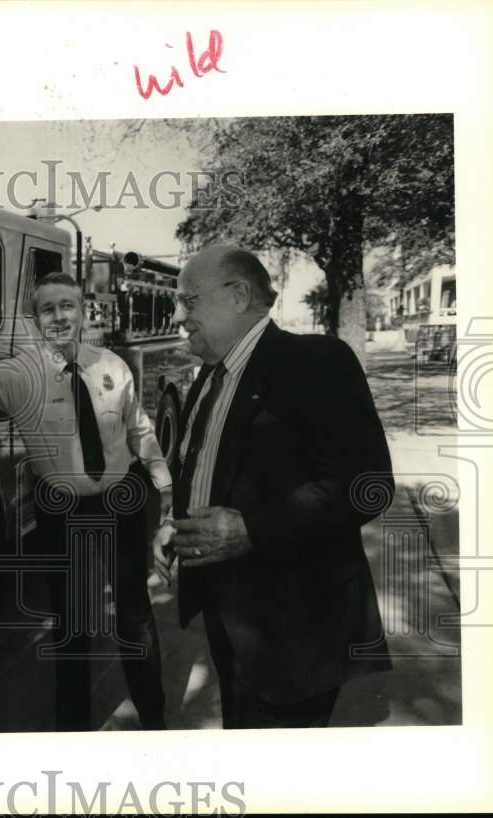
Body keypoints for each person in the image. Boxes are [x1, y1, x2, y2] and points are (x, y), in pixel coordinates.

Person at [0, 271, 171, 731]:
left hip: (121, 499)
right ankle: (71, 732)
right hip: (62, 510)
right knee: (71, 624)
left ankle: (155, 722)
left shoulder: (112, 366)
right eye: (48, 308)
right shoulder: (19, 377)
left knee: (134, 615)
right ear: (35, 321)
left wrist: (163, 481)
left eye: (67, 305)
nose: (59, 316)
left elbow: (139, 428)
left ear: (82, 311)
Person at [155, 245, 393, 729]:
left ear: (238, 295)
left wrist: (250, 528)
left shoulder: (315, 361)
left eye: (189, 301)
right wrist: (174, 525)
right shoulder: (208, 377)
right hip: (230, 619)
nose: (178, 316)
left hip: (294, 635)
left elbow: (367, 484)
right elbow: (205, 466)